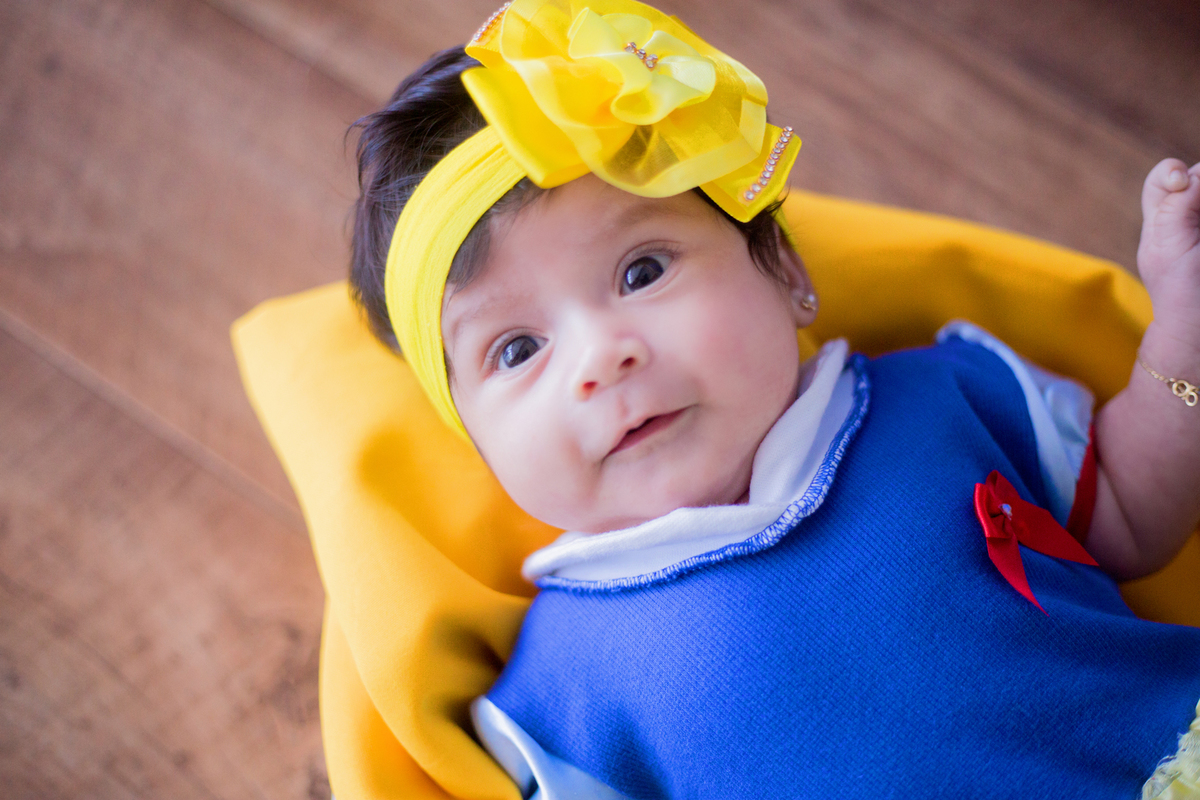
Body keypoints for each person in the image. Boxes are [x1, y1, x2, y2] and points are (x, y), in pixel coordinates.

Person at [348, 0, 1200, 796]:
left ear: (785, 270)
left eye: (642, 270)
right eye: (518, 349)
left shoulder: (945, 398)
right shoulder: (560, 698)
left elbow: (1127, 510)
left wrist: (1180, 344)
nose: (600, 359)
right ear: (472, 435)